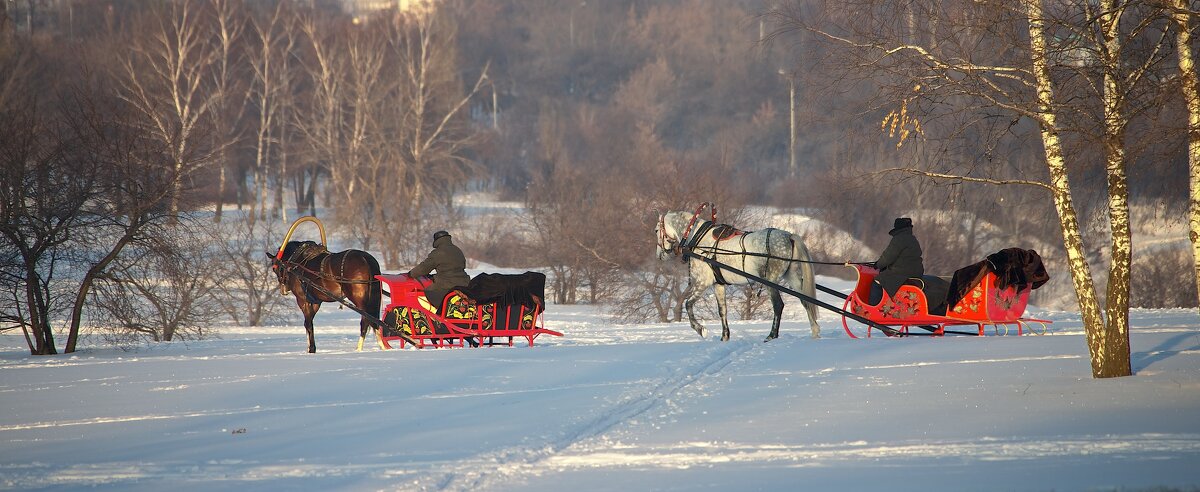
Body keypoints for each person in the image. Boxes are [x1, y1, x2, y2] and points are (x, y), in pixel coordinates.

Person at [408, 230, 470, 312]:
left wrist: (411, 274)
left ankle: (433, 315)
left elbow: (424, 268)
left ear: (436, 240)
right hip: (464, 282)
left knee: (426, 293)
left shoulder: (438, 252)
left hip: (446, 284)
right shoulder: (457, 250)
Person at [869, 217, 924, 305]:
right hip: (916, 273)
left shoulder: (899, 239)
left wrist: (878, 265)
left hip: (902, 274)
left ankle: (874, 308)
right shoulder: (912, 239)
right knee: (884, 277)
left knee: (877, 281)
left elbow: (887, 257)